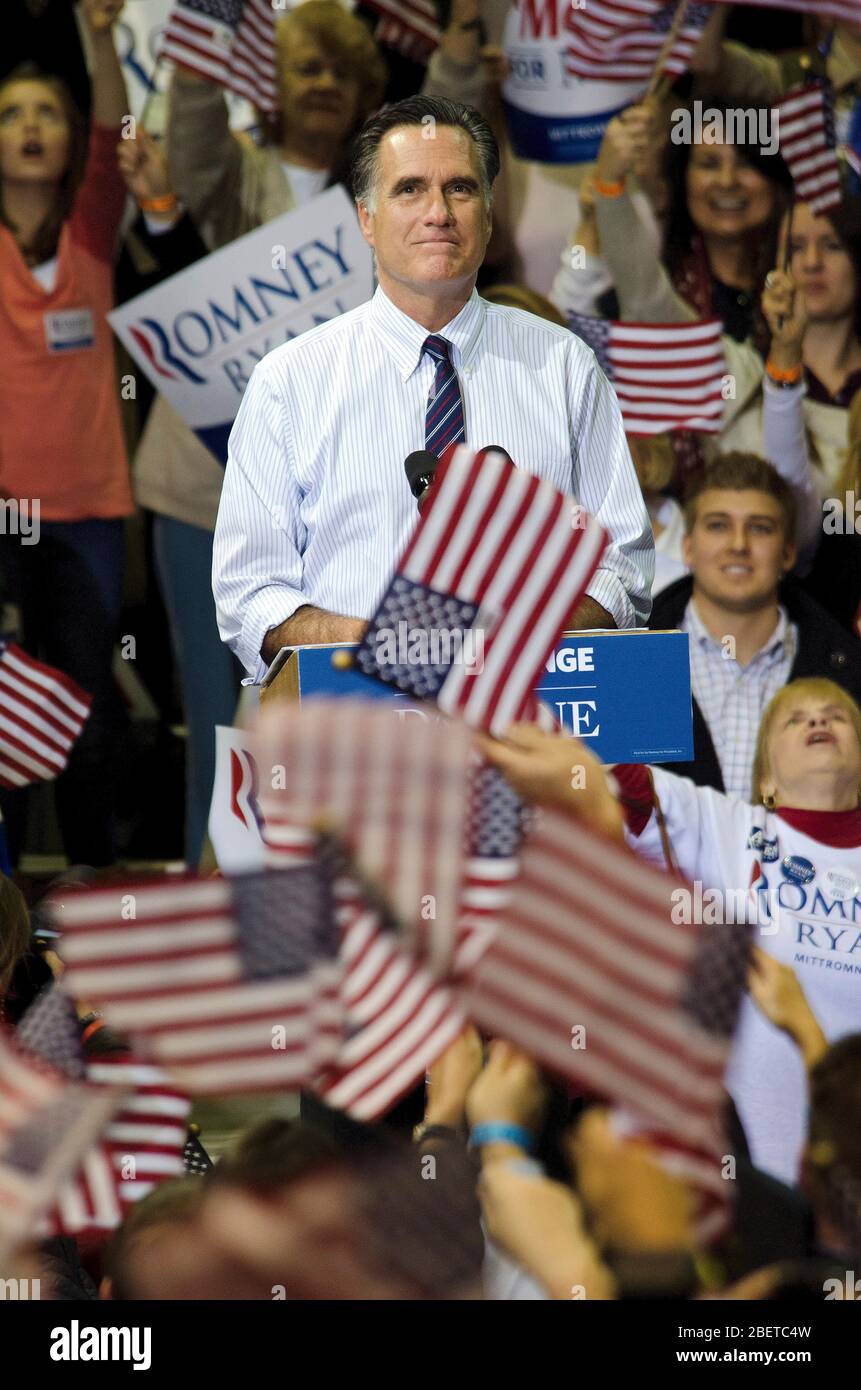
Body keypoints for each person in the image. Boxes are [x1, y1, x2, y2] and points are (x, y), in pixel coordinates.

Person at [213, 95, 654, 682]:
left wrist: (516, 636)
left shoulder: (564, 365)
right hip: (357, 727)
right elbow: (251, 594)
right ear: (367, 218)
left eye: (461, 189)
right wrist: (379, 642)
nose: (438, 212)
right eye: (410, 189)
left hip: (535, 720)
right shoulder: (288, 382)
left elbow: (620, 564)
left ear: (489, 217)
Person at [480, 678, 861, 1186]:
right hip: (744, 1179)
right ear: (765, 779)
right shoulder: (730, 827)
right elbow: (616, 781)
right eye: (795, 719)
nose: (817, 721)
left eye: (836, 715)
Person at [0, 0, 131, 866]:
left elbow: (115, 131)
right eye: (11, 114)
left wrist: (98, 38)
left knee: (86, 703)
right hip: (4, 514)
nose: (31, 127)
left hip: (87, 509)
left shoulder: (91, 231)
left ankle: (91, 887)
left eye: (47, 111)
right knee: (4, 709)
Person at [649, 453, 861, 798]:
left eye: (759, 528)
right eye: (718, 525)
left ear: (788, 553)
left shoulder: (849, 668)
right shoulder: (631, 658)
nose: (738, 545)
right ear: (688, 547)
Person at [167, 0, 387, 252]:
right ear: (272, 82)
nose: (327, 85)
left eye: (343, 74)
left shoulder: (381, 185)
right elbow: (196, 109)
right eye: (309, 70)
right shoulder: (237, 178)